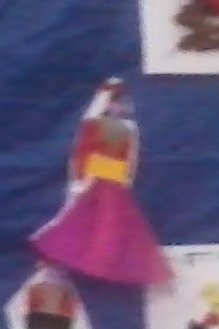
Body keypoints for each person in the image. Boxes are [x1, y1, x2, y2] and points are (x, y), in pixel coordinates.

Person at [31, 78, 170, 286]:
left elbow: (131, 156)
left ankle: (100, 262)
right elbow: (81, 150)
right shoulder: (94, 122)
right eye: (115, 101)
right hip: (91, 177)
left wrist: (126, 180)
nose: (119, 106)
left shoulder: (130, 128)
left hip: (114, 180)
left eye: (122, 102)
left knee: (108, 225)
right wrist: (80, 179)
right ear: (107, 103)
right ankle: (55, 259)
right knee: (74, 218)